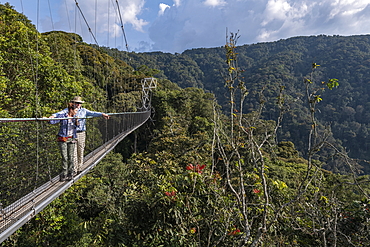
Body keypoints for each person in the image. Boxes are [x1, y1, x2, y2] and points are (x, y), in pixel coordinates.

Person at [50, 96, 110, 174]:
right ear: (73, 103)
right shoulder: (68, 110)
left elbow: (93, 113)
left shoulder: (84, 111)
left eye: (79, 103)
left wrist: (102, 114)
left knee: (80, 150)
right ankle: (74, 170)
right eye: (76, 103)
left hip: (81, 133)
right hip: (72, 134)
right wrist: (53, 116)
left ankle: (79, 168)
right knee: (73, 152)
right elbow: (60, 113)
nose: (78, 105)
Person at [50, 103, 78, 181]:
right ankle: (64, 173)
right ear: (71, 110)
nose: (76, 112)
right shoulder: (63, 116)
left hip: (71, 138)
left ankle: (71, 172)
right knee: (64, 157)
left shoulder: (75, 117)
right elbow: (54, 121)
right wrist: (49, 119)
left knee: (71, 157)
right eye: (75, 110)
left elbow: (77, 126)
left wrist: (76, 120)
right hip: (63, 138)